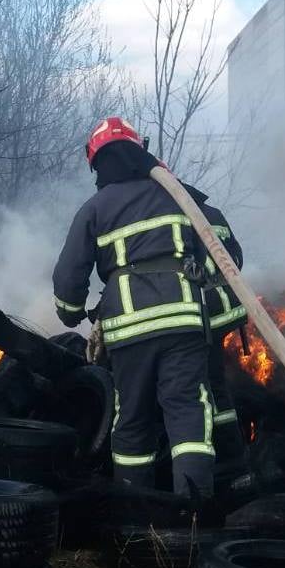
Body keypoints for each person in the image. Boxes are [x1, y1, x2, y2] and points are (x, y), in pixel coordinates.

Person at [53, 117, 216, 498]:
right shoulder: (179, 195)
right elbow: (216, 259)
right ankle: (194, 512)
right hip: (183, 323)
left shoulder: (95, 208)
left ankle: (136, 515)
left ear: (97, 164)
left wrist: (72, 312)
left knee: (132, 419)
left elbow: (68, 280)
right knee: (188, 412)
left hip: (129, 330)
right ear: (139, 151)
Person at [186, 185, 250, 487]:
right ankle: (235, 451)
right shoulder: (215, 213)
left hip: (205, 314)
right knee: (219, 384)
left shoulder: (178, 214)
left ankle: (224, 453)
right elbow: (236, 258)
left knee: (206, 387)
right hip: (229, 309)